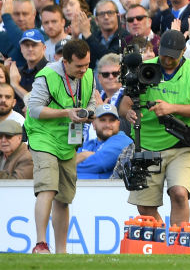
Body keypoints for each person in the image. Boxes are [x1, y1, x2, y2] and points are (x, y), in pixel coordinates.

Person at [117, 30, 190, 227]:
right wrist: (128, 113)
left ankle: (177, 242)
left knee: (179, 193)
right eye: (164, 54)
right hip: (147, 144)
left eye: (172, 56)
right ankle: (164, 239)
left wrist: (172, 108)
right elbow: (124, 105)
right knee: (145, 207)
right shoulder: (143, 68)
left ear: (184, 51)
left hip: (181, 142)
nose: (167, 59)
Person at [23, 39, 93, 254]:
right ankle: (41, 244)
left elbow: (90, 102)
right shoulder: (46, 75)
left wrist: (88, 113)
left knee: (64, 198)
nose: (83, 70)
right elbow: (33, 109)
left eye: (87, 64)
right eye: (78, 66)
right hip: (43, 137)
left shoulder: (88, 75)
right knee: (48, 188)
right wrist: (66, 112)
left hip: (67, 140)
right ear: (64, 61)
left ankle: (61, 253)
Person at [75, 102, 132, 179]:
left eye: (112, 120)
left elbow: (101, 163)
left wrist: (82, 156)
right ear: (94, 124)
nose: (107, 125)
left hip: (106, 190)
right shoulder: (88, 144)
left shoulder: (122, 140)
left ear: (118, 124)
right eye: (102, 120)